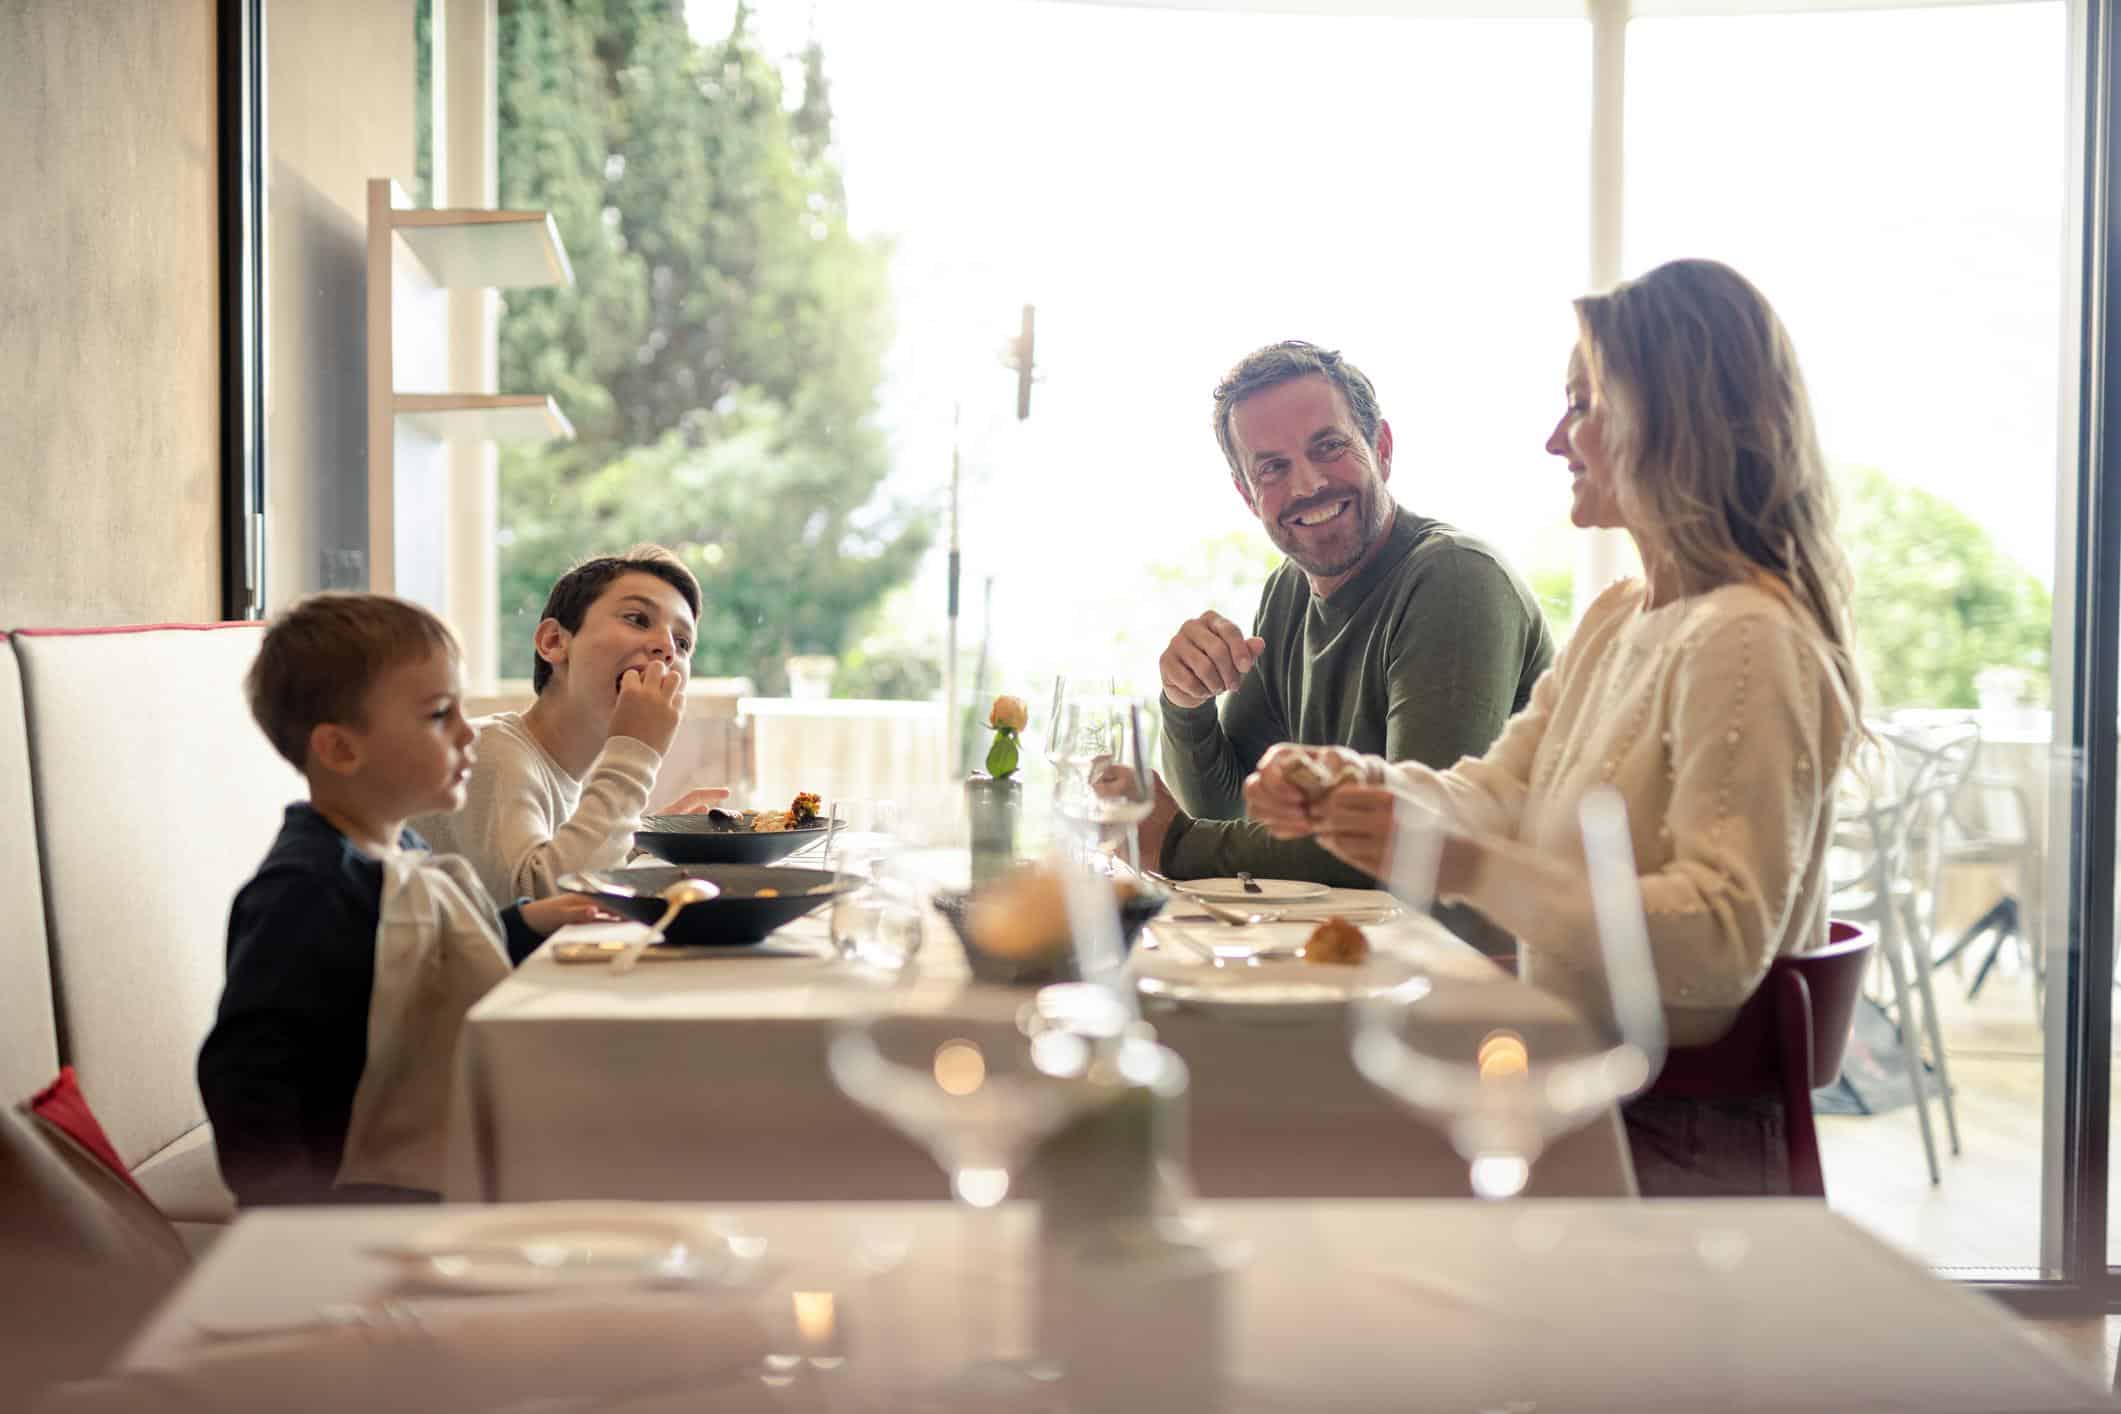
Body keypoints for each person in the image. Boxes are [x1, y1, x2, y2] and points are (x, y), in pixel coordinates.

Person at [1246, 259, 1861, 1196]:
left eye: (1581, 405)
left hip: (1673, 1140)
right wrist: (1342, 783)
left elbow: (1719, 941)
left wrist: (1468, 867)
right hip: (1581, 1093)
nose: (1552, 440)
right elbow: (1491, 793)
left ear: (1674, 422)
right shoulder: (1623, 614)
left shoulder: (1748, 637)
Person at [198, 594, 613, 1207]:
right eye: (439, 714)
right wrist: (293, 1221)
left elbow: (414, 955)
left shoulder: (396, 849)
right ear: (340, 749)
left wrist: (526, 921)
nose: (470, 732)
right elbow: (248, 1077)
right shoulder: (307, 889)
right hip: (364, 1188)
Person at [1144, 340, 1554, 950]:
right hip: (1359, 961)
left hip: (1478, 979)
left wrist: (1175, 843)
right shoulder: (1287, 591)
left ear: (1382, 448)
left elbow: (1410, 841)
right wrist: (1185, 704)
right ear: (1246, 493)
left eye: (1328, 447)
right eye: (1272, 467)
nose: (1308, 483)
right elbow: (1233, 810)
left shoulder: (1455, 579)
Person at [414, 545, 729, 903]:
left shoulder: (557, 771)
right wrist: (634, 757)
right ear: (553, 642)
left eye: (683, 642)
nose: (667, 648)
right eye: (638, 619)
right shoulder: (492, 752)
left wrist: (640, 843)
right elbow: (541, 904)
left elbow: (567, 867)